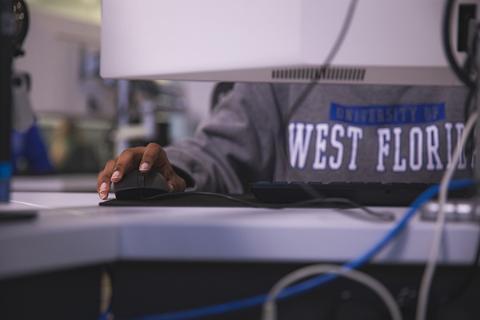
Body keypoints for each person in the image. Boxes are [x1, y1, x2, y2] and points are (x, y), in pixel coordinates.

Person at [97, 83, 471, 200]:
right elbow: (215, 152)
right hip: (303, 278)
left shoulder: (463, 60)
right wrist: (169, 170)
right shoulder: (286, 62)